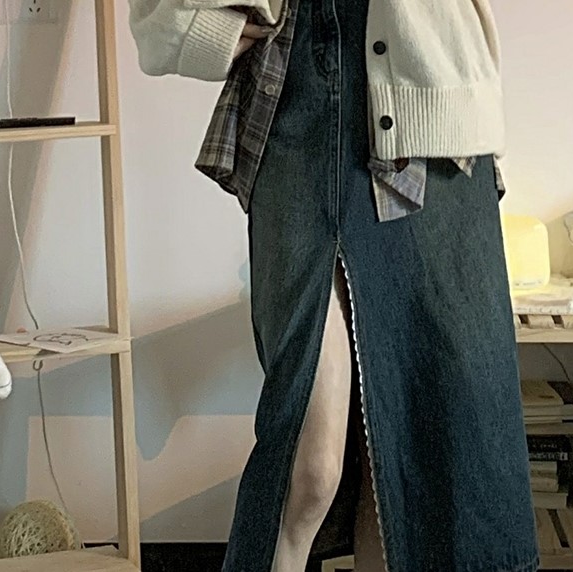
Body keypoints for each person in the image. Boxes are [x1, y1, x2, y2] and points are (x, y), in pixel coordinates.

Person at [129, 1, 539, 570]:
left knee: (408, 459)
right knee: (309, 465)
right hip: (298, 102)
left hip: (431, 107)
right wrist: (194, 27)